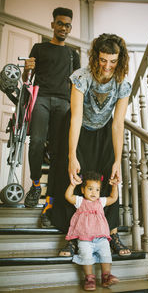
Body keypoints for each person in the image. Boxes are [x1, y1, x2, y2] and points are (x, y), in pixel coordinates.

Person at [51, 33, 132, 257]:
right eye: (103, 59)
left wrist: (117, 160)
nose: (107, 66)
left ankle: (112, 232)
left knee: (111, 176)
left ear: (120, 59)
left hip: (104, 131)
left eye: (113, 61)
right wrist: (72, 156)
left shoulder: (122, 84)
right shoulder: (81, 77)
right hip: (79, 129)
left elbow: (117, 124)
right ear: (96, 57)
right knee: (76, 177)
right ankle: (72, 236)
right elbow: (76, 117)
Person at [22, 7, 80, 229]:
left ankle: (49, 203)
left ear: (69, 28)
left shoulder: (73, 55)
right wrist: (27, 70)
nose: (63, 28)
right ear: (53, 24)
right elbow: (27, 78)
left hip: (64, 103)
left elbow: (77, 85)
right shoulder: (39, 47)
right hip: (43, 98)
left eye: (67, 25)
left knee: (59, 153)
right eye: (60, 23)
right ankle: (36, 184)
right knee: (36, 141)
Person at [65, 171, 119, 291]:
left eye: (97, 190)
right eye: (90, 189)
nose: (94, 193)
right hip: (85, 239)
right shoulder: (80, 201)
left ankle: (106, 276)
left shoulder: (101, 202)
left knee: (106, 255)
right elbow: (68, 196)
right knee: (86, 256)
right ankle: (89, 278)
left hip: (101, 238)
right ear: (83, 190)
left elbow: (113, 198)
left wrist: (114, 186)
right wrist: (73, 185)